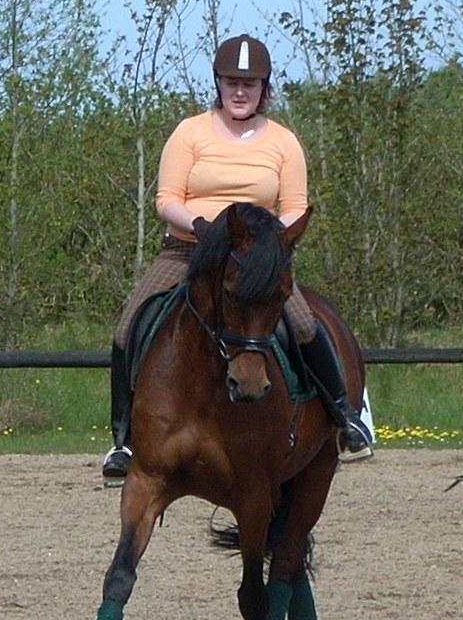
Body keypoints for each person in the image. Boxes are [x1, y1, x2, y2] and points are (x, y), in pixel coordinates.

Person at [102, 33, 373, 483]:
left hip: (257, 262)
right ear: (218, 84)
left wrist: (268, 248)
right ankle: (125, 438)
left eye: (250, 83)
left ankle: (345, 416)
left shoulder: (283, 143)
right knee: (129, 324)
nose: (240, 91)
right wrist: (202, 228)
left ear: (265, 88)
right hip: (189, 250)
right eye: (232, 82)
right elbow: (166, 199)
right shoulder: (189, 133)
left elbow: (294, 209)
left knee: (304, 325)